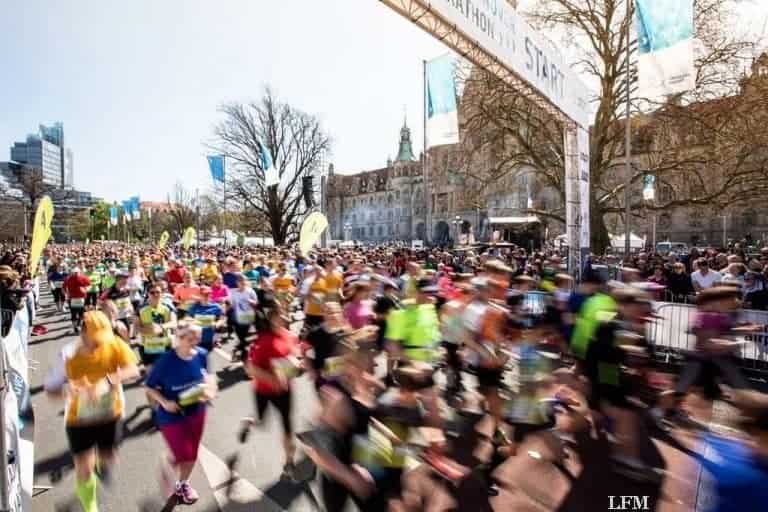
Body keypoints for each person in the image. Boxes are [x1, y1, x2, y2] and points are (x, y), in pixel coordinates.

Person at [44, 311, 139, 512]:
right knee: (84, 467)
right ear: (84, 332)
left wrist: (108, 381)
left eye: (103, 338)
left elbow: (133, 369)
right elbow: (50, 391)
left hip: (110, 415)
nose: (100, 343)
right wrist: (65, 389)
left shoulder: (114, 343)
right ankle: (90, 507)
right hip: (79, 420)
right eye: (96, 339)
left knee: (108, 456)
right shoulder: (68, 354)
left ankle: (103, 466)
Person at [144, 322, 216, 504]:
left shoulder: (201, 354)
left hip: (198, 412)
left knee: (191, 455)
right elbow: (149, 387)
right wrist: (165, 402)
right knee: (183, 454)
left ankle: (182, 484)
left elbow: (208, 376)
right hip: (172, 416)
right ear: (179, 338)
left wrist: (210, 390)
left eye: (196, 338)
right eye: (189, 339)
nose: (194, 342)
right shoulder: (166, 361)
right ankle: (171, 463)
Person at [242, 300, 300, 479]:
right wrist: (273, 379)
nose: (283, 317)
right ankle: (249, 422)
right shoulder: (263, 340)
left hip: (285, 391)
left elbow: (295, 358)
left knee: (287, 426)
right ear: (271, 318)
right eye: (279, 314)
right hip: (263, 390)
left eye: (285, 313)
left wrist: (297, 364)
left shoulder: (291, 336)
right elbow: (250, 369)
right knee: (261, 423)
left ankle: (289, 462)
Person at [135, 284, 177, 370]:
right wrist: (146, 330)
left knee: (165, 372)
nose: (155, 294)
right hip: (147, 347)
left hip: (164, 345)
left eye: (158, 292)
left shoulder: (168, 307)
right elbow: (136, 327)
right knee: (150, 375)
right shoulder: (140, 308)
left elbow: (174, 322)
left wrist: (160, 327)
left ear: (162, 293)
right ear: (148, 294)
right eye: (152, 292)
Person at [229, 274, 259, 361]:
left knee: (246, 339)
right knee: (242, 339)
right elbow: (232, 306)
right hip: (238, 319)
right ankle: (240, 352)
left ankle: (243, 356)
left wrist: (252, 302)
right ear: (237, 283)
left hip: (249, 318)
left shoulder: (250, 291)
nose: (242, 282)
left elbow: (256, 303)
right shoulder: (233, 293)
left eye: (243, 281)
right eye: (240, 281)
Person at [186, 286, 225, 351]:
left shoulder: (216, 307)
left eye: (208, 294)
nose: (206, 296)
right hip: (196, 340)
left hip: (209, 339)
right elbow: (187, 318)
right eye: (204, 294)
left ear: (211, 295)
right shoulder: (194, 307)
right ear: (199, 295)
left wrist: (216, 324)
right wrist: (191, 322)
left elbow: (222, 319)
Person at [63, 267, 91, 333]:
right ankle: (75, 327)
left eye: (77, 272)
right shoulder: (68, 279)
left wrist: (86, 289)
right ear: (72, 272)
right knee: (73, 314)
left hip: (82, 298)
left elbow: (89, 285)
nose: (76, 274)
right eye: (74, 272)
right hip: (72, 299)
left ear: (80, 272)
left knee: (82, 314)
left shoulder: (84, 278)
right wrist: (66, 295)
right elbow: (63, 287)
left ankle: (79, 324)